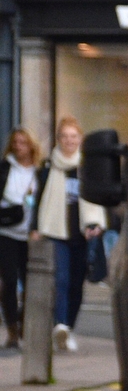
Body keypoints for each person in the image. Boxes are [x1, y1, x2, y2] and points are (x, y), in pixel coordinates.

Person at [34, 117, 106, 354]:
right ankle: (60, 325)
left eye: (73, 136)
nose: (69, 141)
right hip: (57, 231)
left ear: (80, 139)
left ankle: (69, 329)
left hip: (83, 232)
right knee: (61, 280)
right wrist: (35, 226)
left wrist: (97, 224)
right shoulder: (48, 167)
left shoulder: (88, 166)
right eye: (64, 136)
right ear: (58, 139)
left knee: (77, 284)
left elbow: (99, 199)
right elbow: (39, 199)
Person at [1, 129, 38, 349]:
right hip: (5, 232)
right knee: (9, 282)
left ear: (31, 145)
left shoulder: (39, 171)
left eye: (23, 142)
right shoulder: (5, 167)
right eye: (15, 142)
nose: (19, 146)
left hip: (30, 234)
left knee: (31, 283)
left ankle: (26, 322)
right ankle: (13, 329)